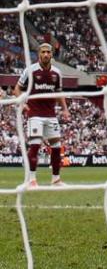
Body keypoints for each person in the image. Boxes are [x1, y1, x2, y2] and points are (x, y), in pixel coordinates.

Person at [14, 43, 70, 188]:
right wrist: (23, 104)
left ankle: (56, 179)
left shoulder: (57, 73)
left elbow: (59, 93)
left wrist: (65, 109)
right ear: (39, 54)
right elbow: (17, 89)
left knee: (57, 147)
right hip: (35, 115)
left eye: (48, 52)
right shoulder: (30, 70)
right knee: (35, 146)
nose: (46, 54)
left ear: (52, 54)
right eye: (43, 52)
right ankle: (31, 180)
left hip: (51, 115)